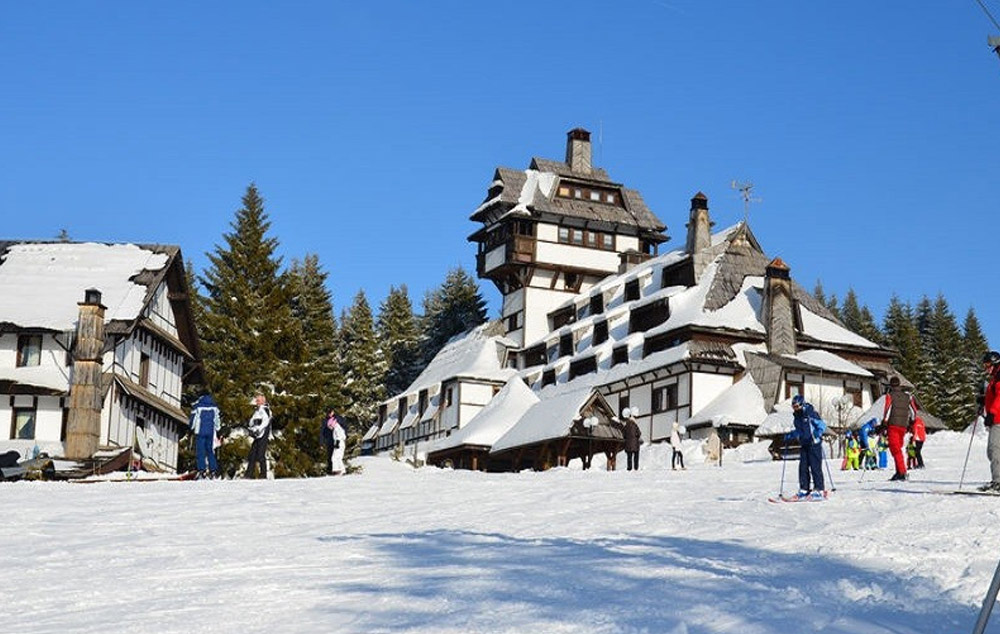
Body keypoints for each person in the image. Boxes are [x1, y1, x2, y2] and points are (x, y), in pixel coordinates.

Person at [785, 394, 826, 498]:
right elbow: (800, 431)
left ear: (802, 404)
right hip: (804, 444)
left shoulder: (810, 413)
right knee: (803, 467)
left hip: (814, 443)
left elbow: (822, 425)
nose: (795, 409)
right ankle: (804, 489)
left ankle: (819, 489)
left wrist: (818, 432)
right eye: (793, 407)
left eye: (796, 406)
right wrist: (792, 434)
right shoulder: (797, 417)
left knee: (815, 467)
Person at [881, 377, 916, 482]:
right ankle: (898, 472)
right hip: (903, 426)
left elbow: (888, 409)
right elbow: (913, 411)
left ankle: (902, 472)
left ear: (891, 385)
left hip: (893, 425)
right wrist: (912, 422)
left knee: (895, 449)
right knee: (898, 449)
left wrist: (884, 422)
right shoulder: (908, 397)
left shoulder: (890, 395)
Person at [979, 351, 1000, 491]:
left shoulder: (999, 377)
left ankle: (998, 482)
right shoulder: (994, 378)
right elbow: (993, 395)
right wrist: (983, 400)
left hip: (998, 418)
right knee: (991, 451)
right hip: (995, 419)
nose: (986, 368)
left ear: (995, 364)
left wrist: (992, 412)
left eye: (988, 365)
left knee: (994, 449)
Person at [189, 393, 221, 479]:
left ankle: (201, 470)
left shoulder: (198, 407)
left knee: (201, 451)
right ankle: (213, 470)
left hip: (200, 431)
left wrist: (191, 427)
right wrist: (217, 429)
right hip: (210, 431)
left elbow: (193, 419)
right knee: (210, 450)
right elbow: (217, 420)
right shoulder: (214, 408)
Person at [246, 394, 272, 479]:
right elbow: (251, 421)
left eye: (258, 400)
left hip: (263, 435)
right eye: (256, 400)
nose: (256, 402)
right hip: (257, 436)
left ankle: (263, 474)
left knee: (260, 455)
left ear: (263, 401)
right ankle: (249, 474)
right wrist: (251, 428)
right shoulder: (257, 410)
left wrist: (259, 429)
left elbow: (266, 421)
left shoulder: (264, 409)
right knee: (252, 454)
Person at [321, 408, 347, 475]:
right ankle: (339, 470)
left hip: (339, 443)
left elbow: (341, 435)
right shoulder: (336, 428)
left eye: (330, 426)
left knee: (336, 457)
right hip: (338, 443)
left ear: (332, 424)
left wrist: (338, 442)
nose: (330, 428)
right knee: (336, 458)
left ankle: (339, 470)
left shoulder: (337, 427)